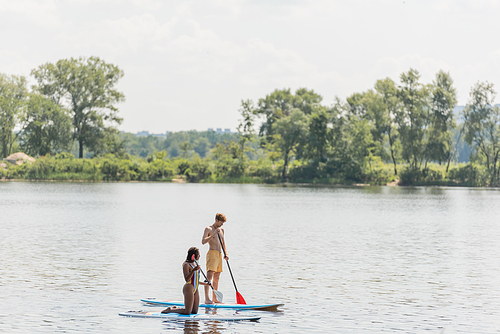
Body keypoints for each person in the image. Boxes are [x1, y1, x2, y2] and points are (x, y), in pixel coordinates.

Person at [161, 247, 208, 314]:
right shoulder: (186, 265)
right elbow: (187, 279)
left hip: (196, 289)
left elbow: (196, 280)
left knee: (194, 311)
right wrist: (193, 270)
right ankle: (170, 310)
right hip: (189, 288)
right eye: (198, 254)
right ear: (193, 256)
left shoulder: (195, 264)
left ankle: (176, 309)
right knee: (187, 312)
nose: (199, 256)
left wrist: (206, 284)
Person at [201, 213, 228, 304]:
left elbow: (223, 243)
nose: (222, 225)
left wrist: (226, 254)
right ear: (216, 220)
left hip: (219, 254)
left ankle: (215, 298)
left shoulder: (222, 230)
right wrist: (213, 235)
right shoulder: (208, 229)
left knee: (217, 278)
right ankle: (207, 299)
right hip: (212, 254)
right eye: (221, 222)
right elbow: (203, 241)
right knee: (209, 278)